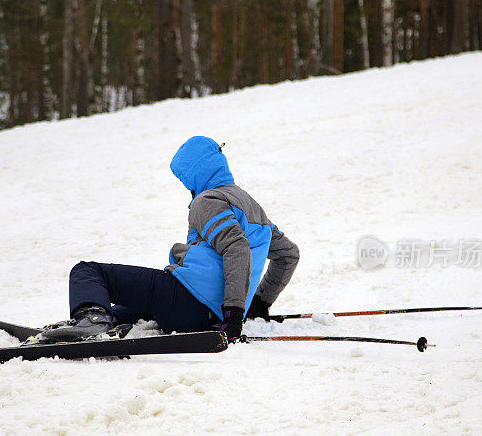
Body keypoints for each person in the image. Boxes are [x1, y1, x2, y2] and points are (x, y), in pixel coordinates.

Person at [39, 135, 299, 343]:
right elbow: (288, 255)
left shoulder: (207, 200)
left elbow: (237, 248)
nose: (185, 185)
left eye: (184, 177)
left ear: (195, 173)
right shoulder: (252, 209)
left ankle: (91, 323)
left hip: (190, 301)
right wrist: (257, 304)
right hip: (206, 313)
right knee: (133, 304)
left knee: (88, 272)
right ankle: (102, 317)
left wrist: (234, 313)